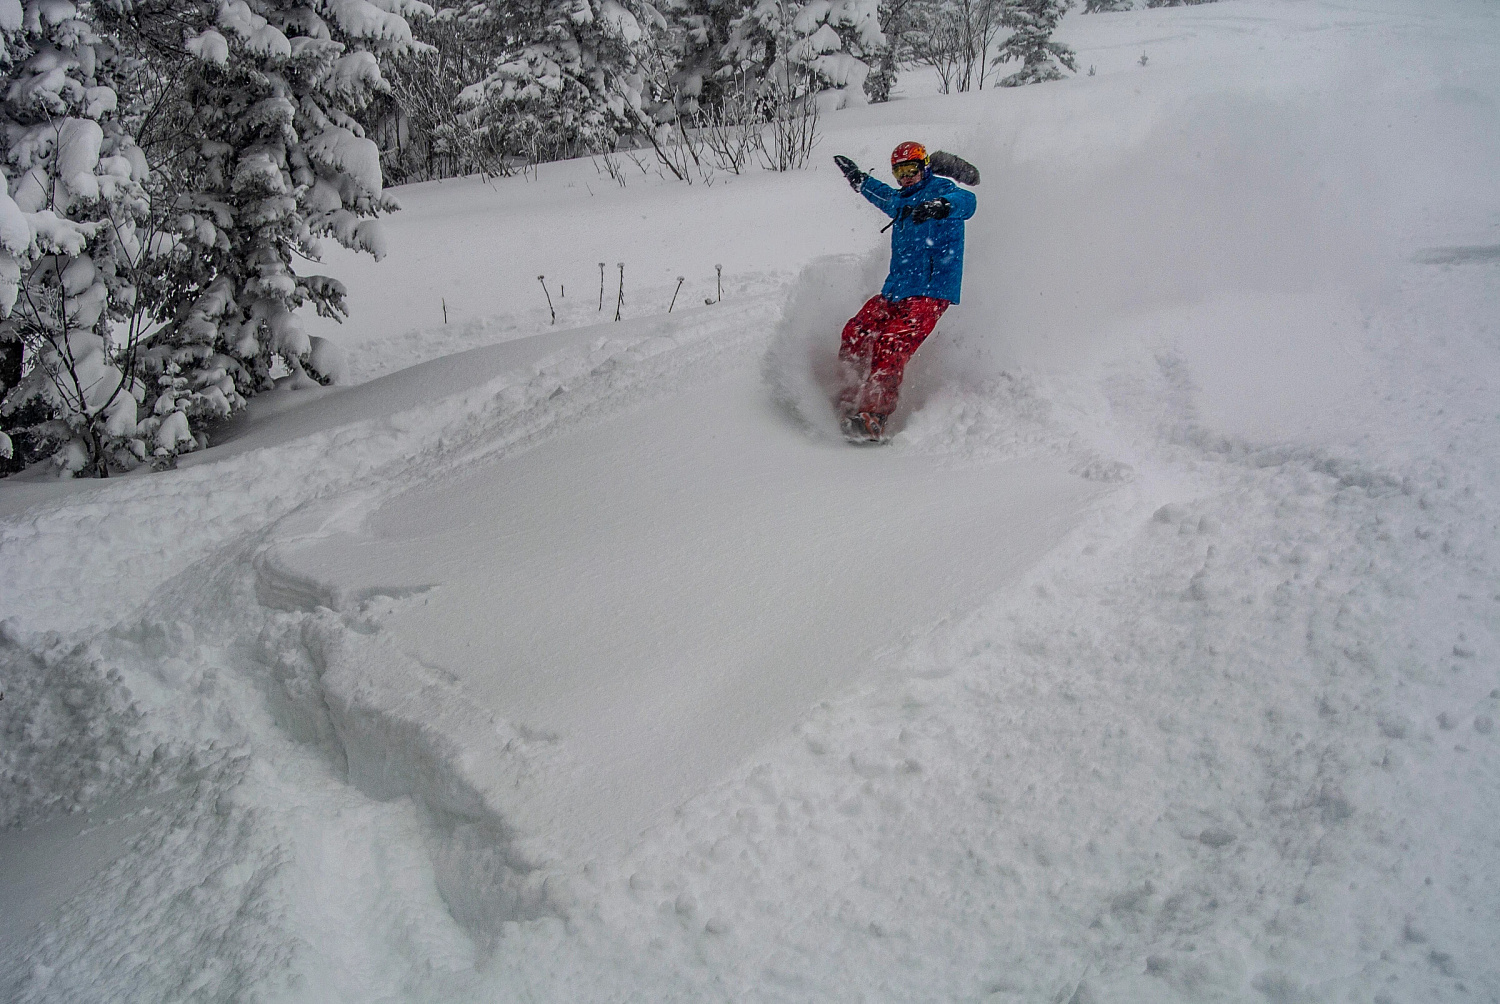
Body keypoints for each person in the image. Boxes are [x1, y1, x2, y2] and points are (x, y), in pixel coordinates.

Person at [832, 141, 977, 442]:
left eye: (911, 170)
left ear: (925, 167)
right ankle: (848, 398)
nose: (906, 178)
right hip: (896, 291)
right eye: (900, 173)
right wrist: (858, 179)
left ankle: (874, 415)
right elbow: (883, 194)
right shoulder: (901, 200)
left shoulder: (942, 190)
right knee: (856, 330)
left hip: (930, 292)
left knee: (891, 342)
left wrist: (940, 207)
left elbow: (968, 201)